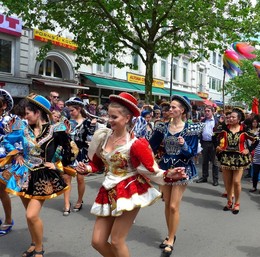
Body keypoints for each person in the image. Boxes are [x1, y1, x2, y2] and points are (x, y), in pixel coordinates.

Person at [75, 92, 187, 257]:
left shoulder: (136, 144)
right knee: (97, 242)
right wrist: (88, 169)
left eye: (114, 117)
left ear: (127, 118)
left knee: (116, 241)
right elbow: (98, 163)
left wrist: (169, 174)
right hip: (108, 190)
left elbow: (151, 169)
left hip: (129, 189)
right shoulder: (103, 137)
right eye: (108, 115)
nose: (109, 120)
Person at [0, 94, 76, 256]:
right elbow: (6, 140)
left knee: (31, 214)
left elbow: (71, 151)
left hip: (43, 176)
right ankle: (34, 243)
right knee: (30, 217)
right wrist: (16, 154)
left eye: (28, 113)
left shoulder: (56, 130)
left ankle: (40, 249)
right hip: (23, 174)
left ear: (38, 112)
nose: (25, 117)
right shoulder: (22, 128)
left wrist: (56, 164)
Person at [149, 95, 204, 256]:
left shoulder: (191, 129)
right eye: (170, 107)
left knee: (174, 205)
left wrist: (184, 145)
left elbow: (192, 153)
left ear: (182, 110)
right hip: (166, 168)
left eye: (174, 107)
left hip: (182, 169)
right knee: (166, 204)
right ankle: (169, 234)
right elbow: (150, 146)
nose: (170, 110)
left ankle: (171, 239)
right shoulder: (162, 128)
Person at [215, 107, 258, 214]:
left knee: (236, 181)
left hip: (239, 159)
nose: (230, 118)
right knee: (227, 182)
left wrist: (248, 149)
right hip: (226, 158)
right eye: (229, 117)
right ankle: (229, 201)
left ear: (238, 119)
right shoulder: (224, 128)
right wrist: (218, 146)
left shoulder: (244, 129)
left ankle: (237, 203)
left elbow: (256, 139)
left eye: (233, 117)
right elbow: (214, 136)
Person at [63, 97, 96, 215]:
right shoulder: (66, 122)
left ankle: (79, 200)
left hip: (81, 153)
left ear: (79, 109)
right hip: (67, 153)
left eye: (72, 110)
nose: (70, 113)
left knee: (80, 178)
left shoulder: (87, 122)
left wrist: (92, 128)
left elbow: (90, 139)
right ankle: (66, 203)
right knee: (66, 178)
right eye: (69, 110)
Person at [0, 89, 14, 236]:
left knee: (2, 191)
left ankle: (9, 219)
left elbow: (16, 142)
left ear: (3, 106)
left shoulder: (10, 121)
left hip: (4, 160)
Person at [196, 105, 219, 186]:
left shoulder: (217, 121)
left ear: (212, 112)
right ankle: (204, 177)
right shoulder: (203, 121)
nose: (206, 112)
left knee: (214, 162)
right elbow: (199, 132)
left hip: (214, 144)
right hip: (204, 143)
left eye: (208, 111)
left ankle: (215, 179)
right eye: (205, 111)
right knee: (204, 161)